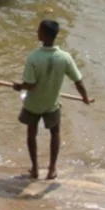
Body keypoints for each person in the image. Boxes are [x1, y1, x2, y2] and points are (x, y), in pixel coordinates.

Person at [13, 19, 91, 180]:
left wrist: (19, 86)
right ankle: (52, 168)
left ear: (43, 34)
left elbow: (30, 85)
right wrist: (85, 98)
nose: (37, 32)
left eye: (38, 30)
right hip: (52, 104)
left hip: (33, 104)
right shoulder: (65, 57)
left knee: (31, 134)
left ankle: (35, 169)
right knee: (55, 133)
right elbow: (78, 80)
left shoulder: (33, 57)